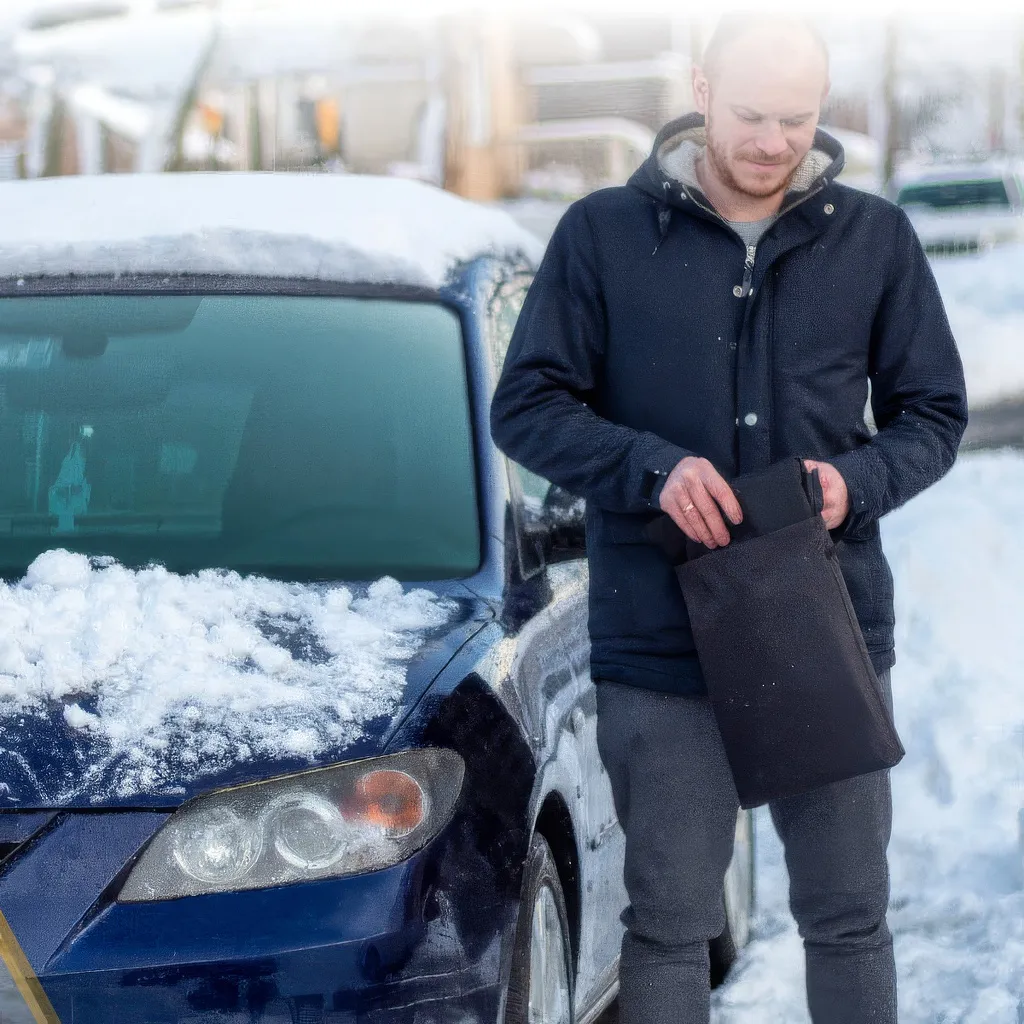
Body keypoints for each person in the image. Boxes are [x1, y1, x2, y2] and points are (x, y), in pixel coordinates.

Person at [490, 12, 968, 1024]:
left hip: (821, 625)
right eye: (752, 114)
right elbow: (524, 406)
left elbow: (932, 414)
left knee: (848, 915)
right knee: (666, 924)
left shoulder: (872, 238)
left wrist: (856, 483)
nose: (773, 142)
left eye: (798, 119)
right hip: (661, 643)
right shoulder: (601, 236)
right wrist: (647, 468)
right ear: (700, 88)